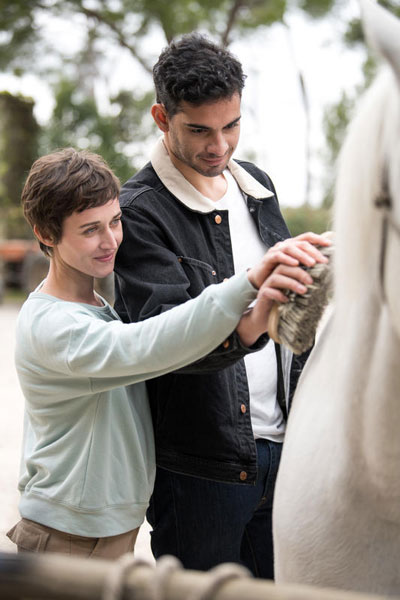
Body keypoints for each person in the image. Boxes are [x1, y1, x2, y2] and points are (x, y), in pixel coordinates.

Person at [6, 147, 322, 560]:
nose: (110, 241)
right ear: (46, 234)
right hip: (66, 537)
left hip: (104, 531)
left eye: (116, 221)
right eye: (89, 230)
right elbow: (151, 344)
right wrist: (247, 283)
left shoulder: (99, 311)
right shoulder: (53, 327)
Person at [113, 33, 330, 577]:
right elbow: (165, 344)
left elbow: (288, 314)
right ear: (162, 117)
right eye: (200, 130)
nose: (221, 146)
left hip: (287, 448)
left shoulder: (258, 186)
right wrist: (256, 317)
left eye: (231, 125)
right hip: (201, 469)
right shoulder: (139, 214)